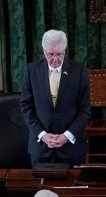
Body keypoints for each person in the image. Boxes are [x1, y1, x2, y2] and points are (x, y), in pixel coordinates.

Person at [19, 29, 91, 167]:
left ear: (65, 50)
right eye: (50, 54)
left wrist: (67, 136)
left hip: (71, 148)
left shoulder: (79, 71)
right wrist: (42, 135)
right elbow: (26, 106)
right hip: (40, 148)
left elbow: (85, 110)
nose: (55, 59)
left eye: (59, 54)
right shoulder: (32, 70)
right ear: (44, 51)